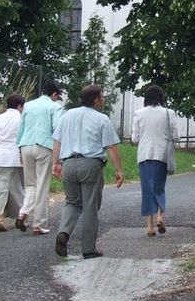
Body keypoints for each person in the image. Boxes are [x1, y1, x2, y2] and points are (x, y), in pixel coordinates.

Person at [50, 83, 124, 259]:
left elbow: (57, 141)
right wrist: (119, 170)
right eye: (102, 97)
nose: (103, 100)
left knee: (72, 202)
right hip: (90, 164)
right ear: (96, 100)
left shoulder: (67, 115)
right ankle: (89, 249)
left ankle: (63, 232)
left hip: (68, 164)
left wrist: (55, 163)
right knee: (90, 206)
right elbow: (111, 146)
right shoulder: (102, 119)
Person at [16, 81, 63, 235]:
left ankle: (23, 212)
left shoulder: (28, 105)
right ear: (54, 94)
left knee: (30, 185)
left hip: (25, 145)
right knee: (42, 185)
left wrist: (19, 148)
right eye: (57, 96)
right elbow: (57, 129)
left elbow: (21, 129)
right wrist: (59, 157)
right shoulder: (55, 107)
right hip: (44, 145)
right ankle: (39, 224)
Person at [132, 83, 173, 237]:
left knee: (147, 190)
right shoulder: (169, 113)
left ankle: (150, 227)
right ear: (161, 97)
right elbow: (175, 136)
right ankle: (160, 216)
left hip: (144, 155)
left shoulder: (138, 113)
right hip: (161, 155)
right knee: (159, 188)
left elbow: (135, 138)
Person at [0, 93, 26, 231]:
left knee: (2, 189)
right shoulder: (22, 118)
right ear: (19, 106)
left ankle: (0, 217)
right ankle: (20, 217)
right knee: (18, 188)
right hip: (16, 158)